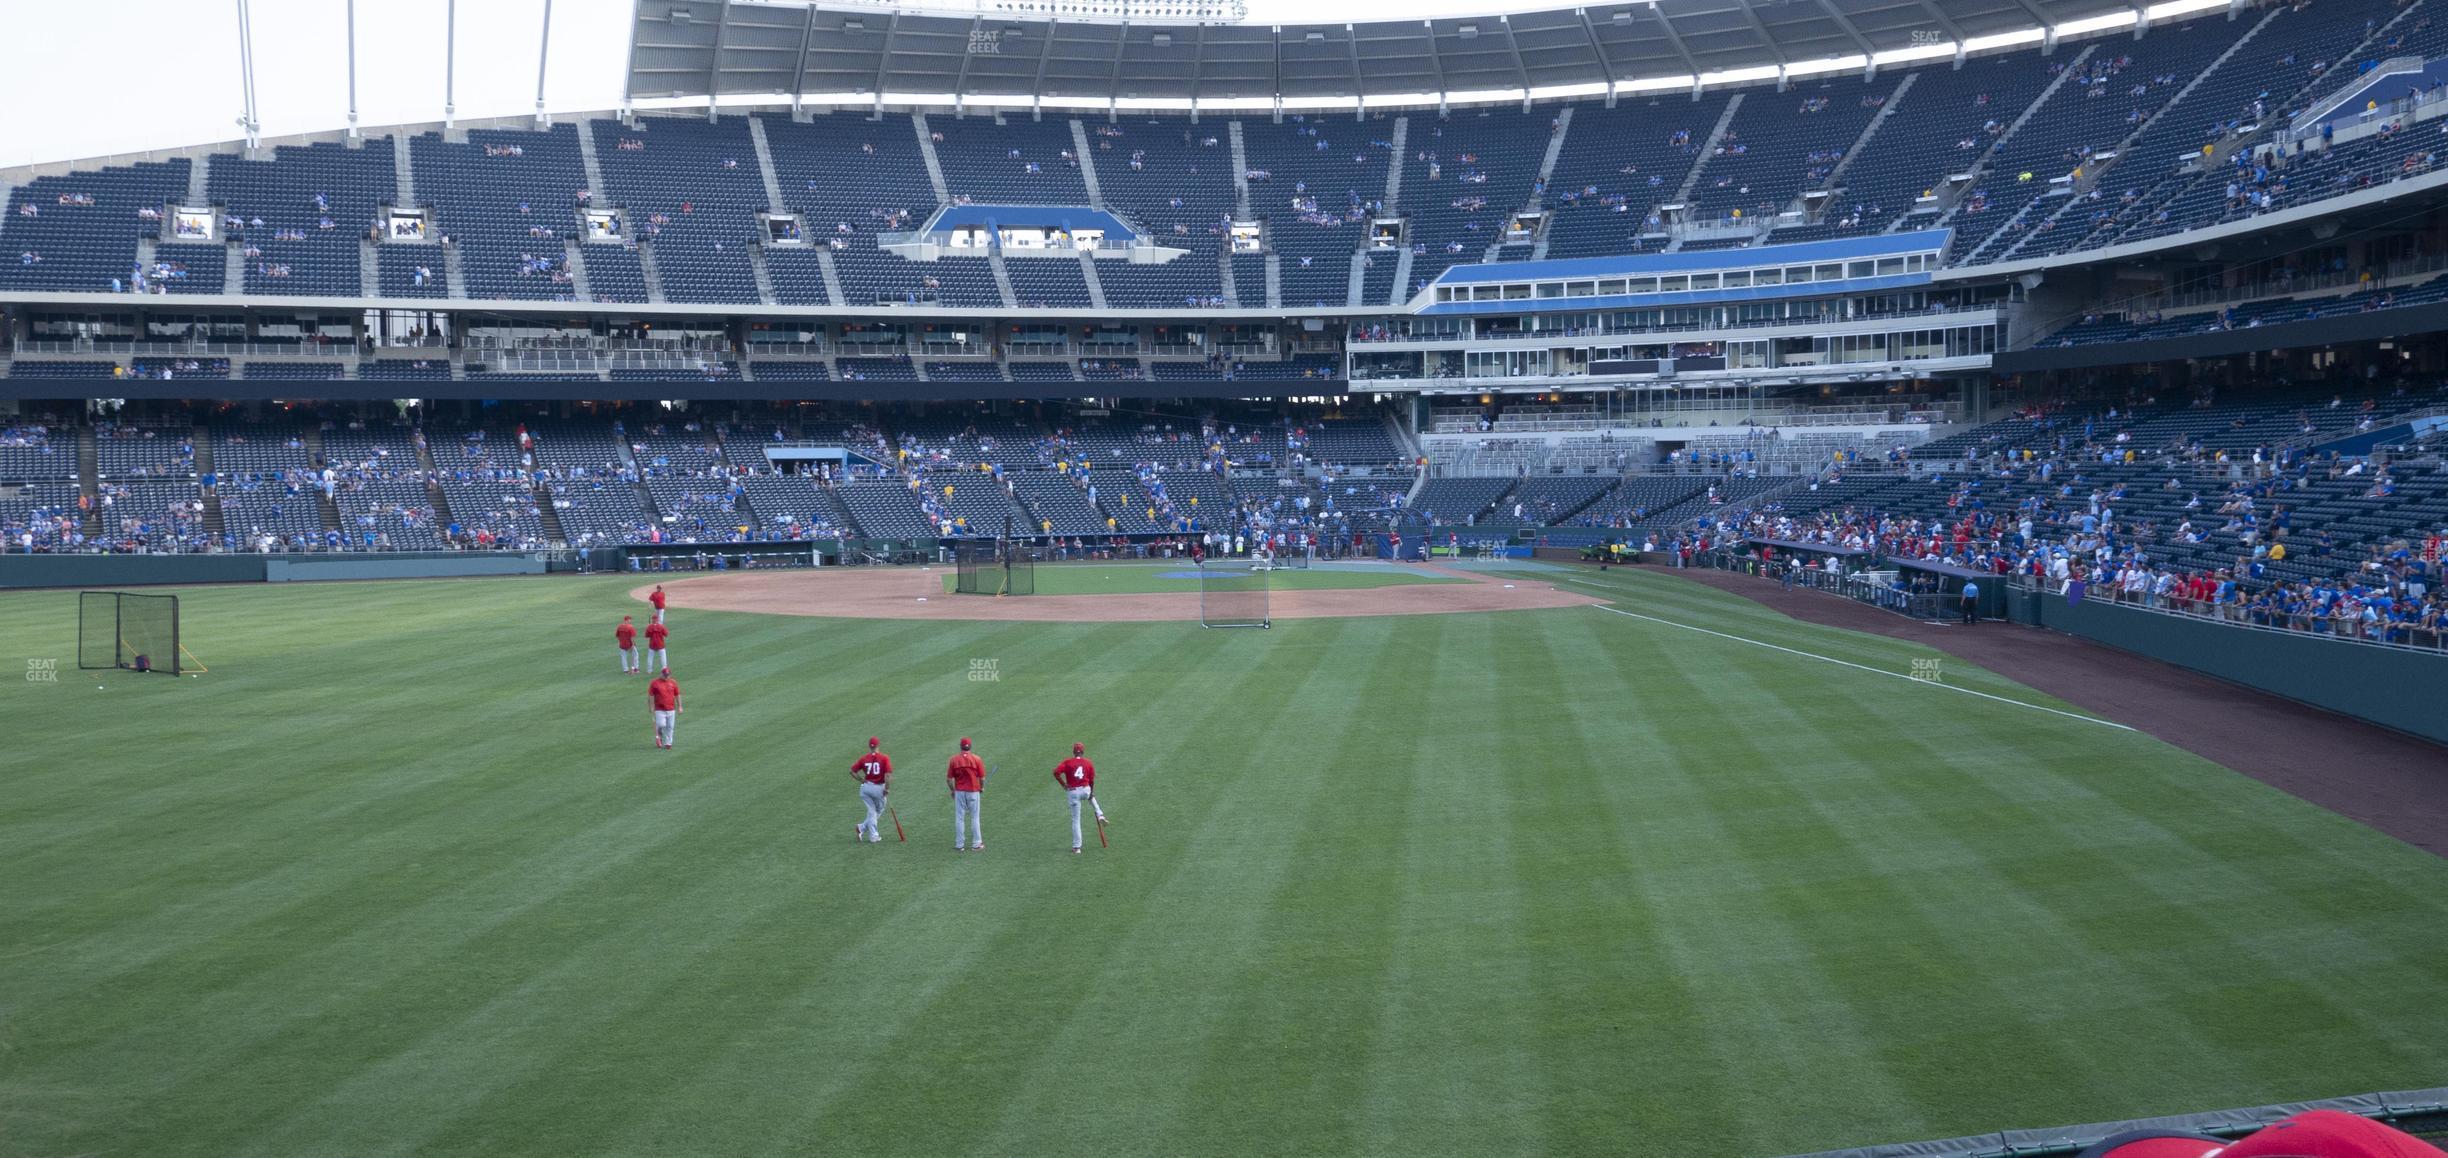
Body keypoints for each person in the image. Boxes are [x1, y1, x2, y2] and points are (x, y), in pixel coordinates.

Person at [1053, 742, 1102, 854]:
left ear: (1073, 752)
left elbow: (1056, 773)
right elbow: (1092, 780)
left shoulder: (1067, 762)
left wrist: (1064, 784)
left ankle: (1077, 847)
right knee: (1090, 795)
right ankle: (1099, 813)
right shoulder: (1088, 762)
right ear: (1083, 752)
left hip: (1073, 793)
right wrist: (1091, 793)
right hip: (1085, 789)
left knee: (1076, 820)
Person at [947, 737, 987, 851]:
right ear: (970, 746)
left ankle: (959, 845)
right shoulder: (977, 759)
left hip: (959, 792)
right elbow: (982, 778)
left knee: (959, 818)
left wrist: (952, 790)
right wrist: (982, 787)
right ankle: (976, 844)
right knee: (975, 817)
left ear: (961, 746)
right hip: (973, 791)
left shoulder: (954, 760)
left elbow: (949, 779)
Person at [852, 736, 893, 843]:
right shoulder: (884, 758)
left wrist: (862, 780)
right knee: (876, 811)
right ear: (878, 745)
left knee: (872, 811)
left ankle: (861, 828)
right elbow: (887, 775)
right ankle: (874, 836)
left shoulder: (864, 758)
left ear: (869, 747)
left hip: (865, 788)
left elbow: (852, 771)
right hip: (878, 788)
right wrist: (887, 789)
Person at [647, 668, 682, 749]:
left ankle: (668, 743)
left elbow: (677, 695)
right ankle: (659, 735)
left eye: (668, 675)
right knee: (661, 724)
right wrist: (651, 706)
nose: (666, 677)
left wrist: (680, 706)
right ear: (661, 674)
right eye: (665, 675)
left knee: (670, 726)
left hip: (671, 708)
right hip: (659, 709)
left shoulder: (673, 682)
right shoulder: (655, 683)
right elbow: (651, 696)